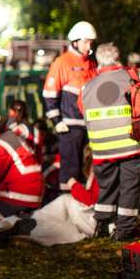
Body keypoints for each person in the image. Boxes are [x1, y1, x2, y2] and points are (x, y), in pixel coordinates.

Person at [78, 43, 140, 240]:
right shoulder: (131, 78)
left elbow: (83, 111)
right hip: (129, 145)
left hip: (101, 148)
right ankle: (124, 230)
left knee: (107, 187)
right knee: (129, 187)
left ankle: (101, 224)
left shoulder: (87, 87)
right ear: (118, 58)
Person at [43, 21, 98, 192]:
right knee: (70, 169)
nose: (89, 46)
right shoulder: (62, 62)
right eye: (86, 41)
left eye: (91, 42)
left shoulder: (91, 63)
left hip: (89, 126)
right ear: (75, 41)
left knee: (85, 168)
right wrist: (57, 120)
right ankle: (65, 206)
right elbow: (49, 94)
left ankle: (81, 204)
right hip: (69, 126)